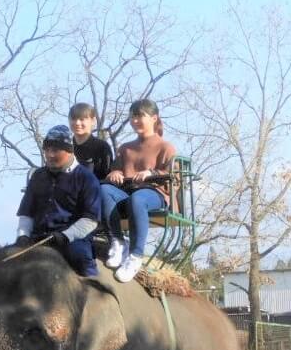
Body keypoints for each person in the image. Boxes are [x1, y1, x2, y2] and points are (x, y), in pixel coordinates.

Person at [98, 98, 176, 282]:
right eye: (133, 117)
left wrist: (151, 173)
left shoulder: (166, 147)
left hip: (154, 192)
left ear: (154, 118)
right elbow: (115, 170)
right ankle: (117, 242)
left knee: (138, 199)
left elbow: (173, 177)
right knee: (103, 190)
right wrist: (115, 172)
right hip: (128, 191)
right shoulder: (125, 148)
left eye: (140, 116)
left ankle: (135, 256)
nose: (135, 121)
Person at [16, 125, 102, 276]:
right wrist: (22, 236)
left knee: (81, 258)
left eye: (55, 150)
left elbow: (91, 220)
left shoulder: (86, 178)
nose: (49, 155)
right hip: (37, 238)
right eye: (47, 150)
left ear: (69, 151)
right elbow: (26, 213)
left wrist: (65, 236)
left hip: (72, 240)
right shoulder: (37, 176)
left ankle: (95, 290)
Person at [67, 102, 114, 181]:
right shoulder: (65, 147)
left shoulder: (102, 147)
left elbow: (107, 177)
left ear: (93, 121)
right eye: (74, 119)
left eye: (82, 119)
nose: (77, 123)